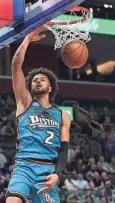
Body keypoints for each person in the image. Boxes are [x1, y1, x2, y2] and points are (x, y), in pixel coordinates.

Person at [5, 27, 71, 203]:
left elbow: (64, 149)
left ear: (50, 87)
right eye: (34, 80)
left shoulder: (62, 115)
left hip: (47, 170)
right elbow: (16, 66)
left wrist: (57, 175)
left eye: (42, 79)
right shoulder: (25, 103)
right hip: (24, 165)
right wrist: (27, 40)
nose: (38, 80)